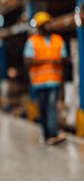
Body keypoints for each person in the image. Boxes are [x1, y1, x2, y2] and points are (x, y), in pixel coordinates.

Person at [23, 11, 68, 145]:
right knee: (43, 108)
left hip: (54, 80)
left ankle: (52, 134)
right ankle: (46, 133)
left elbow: (64, 58)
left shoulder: (58, 40)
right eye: (44, 24)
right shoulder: (32, 41)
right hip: (38, 82)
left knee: (51, 106)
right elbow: (27, 61)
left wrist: (50, 61)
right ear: (40, 26)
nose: (47, 26)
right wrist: (49, 60)